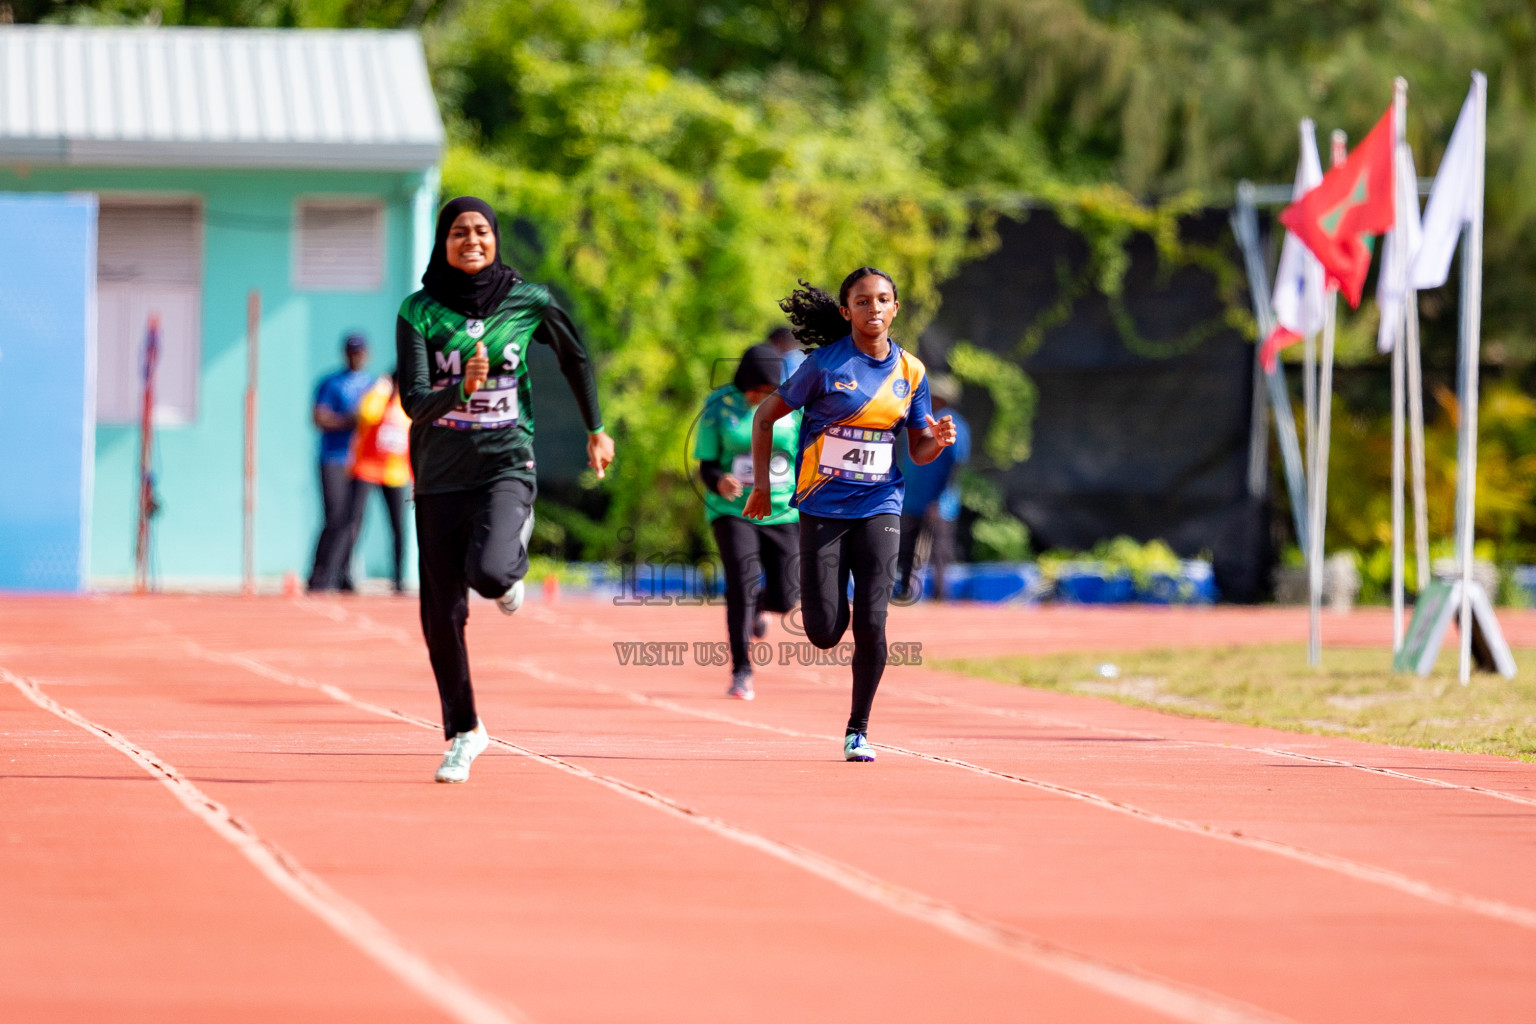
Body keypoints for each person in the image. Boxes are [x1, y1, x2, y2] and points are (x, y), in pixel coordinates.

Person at [397, 196, 615, 784]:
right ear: (443, 243)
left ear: (495, 240)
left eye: (482, 231)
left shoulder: (529, 300)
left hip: (505, 462)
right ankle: (464, 732)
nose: (472, 240)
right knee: (440, 613)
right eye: (460, 232)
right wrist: (460, 389)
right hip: (440, 474)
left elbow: (574, 358)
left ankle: (511, 567)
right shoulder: (419, 312)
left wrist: (596, 429)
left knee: (492, 574)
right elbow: (415, 403)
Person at [744, 268, 956, 762]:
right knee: (823, 631)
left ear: (896, 308)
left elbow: (918, 448)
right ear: (847, 311)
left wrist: (936, 441)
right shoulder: (824, 365)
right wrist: (760, 486)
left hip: (881, 503)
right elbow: (764, 417)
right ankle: (818, 611)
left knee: (875, 621)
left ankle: (858, 729)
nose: (874, 309)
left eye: (883, 300)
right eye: (863, 301)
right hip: (822, 506)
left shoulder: (912, 373)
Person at [694, 343, 801, 701]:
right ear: (744, 384)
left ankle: (760, 606)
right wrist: (719, 480)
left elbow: (807, 453)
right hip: (732, 510)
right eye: (757, 391)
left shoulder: (794, 406)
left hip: (783, 509)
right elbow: (705, 465)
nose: (762, 398)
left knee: (788, 595)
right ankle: (741, 671)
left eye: (770, 393)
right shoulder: (719, 406)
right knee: (740, 582)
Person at [308, 333, 375, 592]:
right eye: (351, 351)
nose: (356, 356)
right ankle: (320, 573)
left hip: (362, 461)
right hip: (334, 458)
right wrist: (352, 420)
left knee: (354, 520)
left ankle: (343, 572)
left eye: (360, 352)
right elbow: (319, 418)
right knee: (335, 516)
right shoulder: (331, 383)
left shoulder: (372, 385)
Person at [895, 375, 970, 601]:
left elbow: (957, 465)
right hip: (912, 499)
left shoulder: (955, 425)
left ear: (944, 398)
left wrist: (940, 500)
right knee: (905, 548)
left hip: (939, 504)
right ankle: (903, 592)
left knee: (939, 553)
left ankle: (940, 596)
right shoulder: (920, 420)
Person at [345, 371, 413, 594]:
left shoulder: (406, 407)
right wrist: (381, 388)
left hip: (394, 474)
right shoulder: (377, 400)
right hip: (366, 469)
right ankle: (345, 574)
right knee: (355, 523)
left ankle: (398, 578)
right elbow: (367, 414)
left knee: (397, 528)